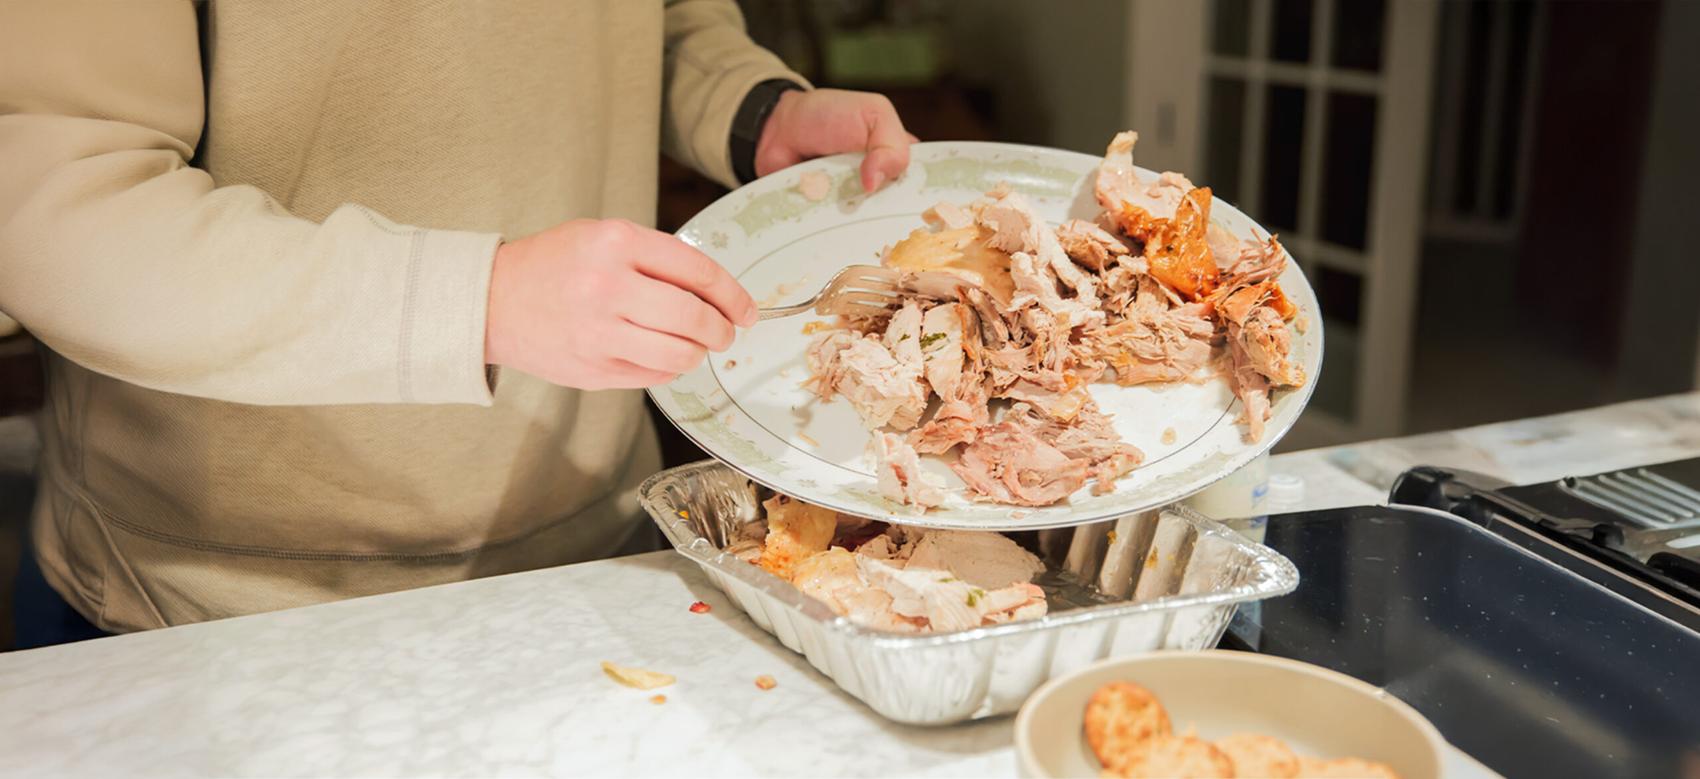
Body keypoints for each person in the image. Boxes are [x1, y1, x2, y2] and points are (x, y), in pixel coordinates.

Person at [0, 2, 913, 646]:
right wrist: (475, 300)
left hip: (607, 541)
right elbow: (53, 214)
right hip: (222, 602)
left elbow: (649, 18)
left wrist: (747, 105)